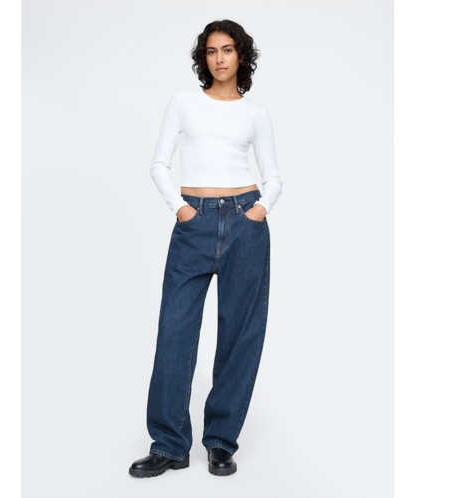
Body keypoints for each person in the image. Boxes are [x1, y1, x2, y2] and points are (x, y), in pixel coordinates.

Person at [129, 19, 283, 478]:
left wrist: (260, 209)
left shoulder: (255, 114)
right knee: (175, 332)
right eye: (212, 51)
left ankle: (220, 441)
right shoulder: (183, 102)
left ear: (241, 56)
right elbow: (159, 164)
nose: (219, 58)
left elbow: (273, 176)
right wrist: (181, 209)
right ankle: (169, 444)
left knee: (240, 334)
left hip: (245, 223)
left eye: (228, 49)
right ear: (204, 57)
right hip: (193, 223)